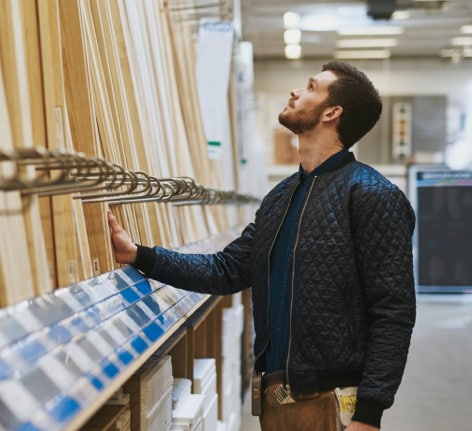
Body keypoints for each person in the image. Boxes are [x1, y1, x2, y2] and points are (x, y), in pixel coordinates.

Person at [107, 60, 416, 431]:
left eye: (311, 87)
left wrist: (369, 413)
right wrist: (140, 255)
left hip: (333, 401)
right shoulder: (281, 197)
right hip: (276, 396)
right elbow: (226, 271)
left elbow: (393, 309)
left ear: (332, 113)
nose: (296, 91)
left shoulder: (371, 194)